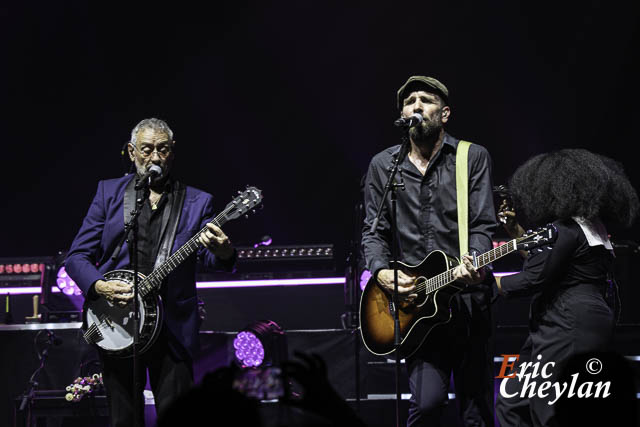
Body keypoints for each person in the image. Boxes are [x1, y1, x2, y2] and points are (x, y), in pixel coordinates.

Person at [65, 118, 236, 427]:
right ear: (132, 152)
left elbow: (210, 260)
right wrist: (99, 286)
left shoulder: (198, 202)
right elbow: (76, 257)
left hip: (172, 330)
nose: (156, 158)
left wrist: (223, 252)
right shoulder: (109, 193)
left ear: (173, 153)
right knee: (124, 420)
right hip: (117, 325)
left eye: (163, 150)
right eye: (147, 150)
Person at [362, 76, 497, 426]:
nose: (416, 106)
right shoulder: (384, 165)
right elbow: (373, 233)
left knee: (476, 411)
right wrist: (381, 271)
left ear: (445, 113)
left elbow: (484, 223)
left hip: (468, 299)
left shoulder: (471, 156)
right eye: (409, 102)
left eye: (426, 100)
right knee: (427, 405)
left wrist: (476, 261)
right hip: (417, 308)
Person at [494, 149, 639, 426]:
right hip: (577, 318)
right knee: (512, 402)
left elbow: (534, 278)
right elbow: (547, 262)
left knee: (547, 405)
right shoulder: (589, 227)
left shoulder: (567, 229)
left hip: (567, 321)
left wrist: (488, 282)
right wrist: (515, 231)